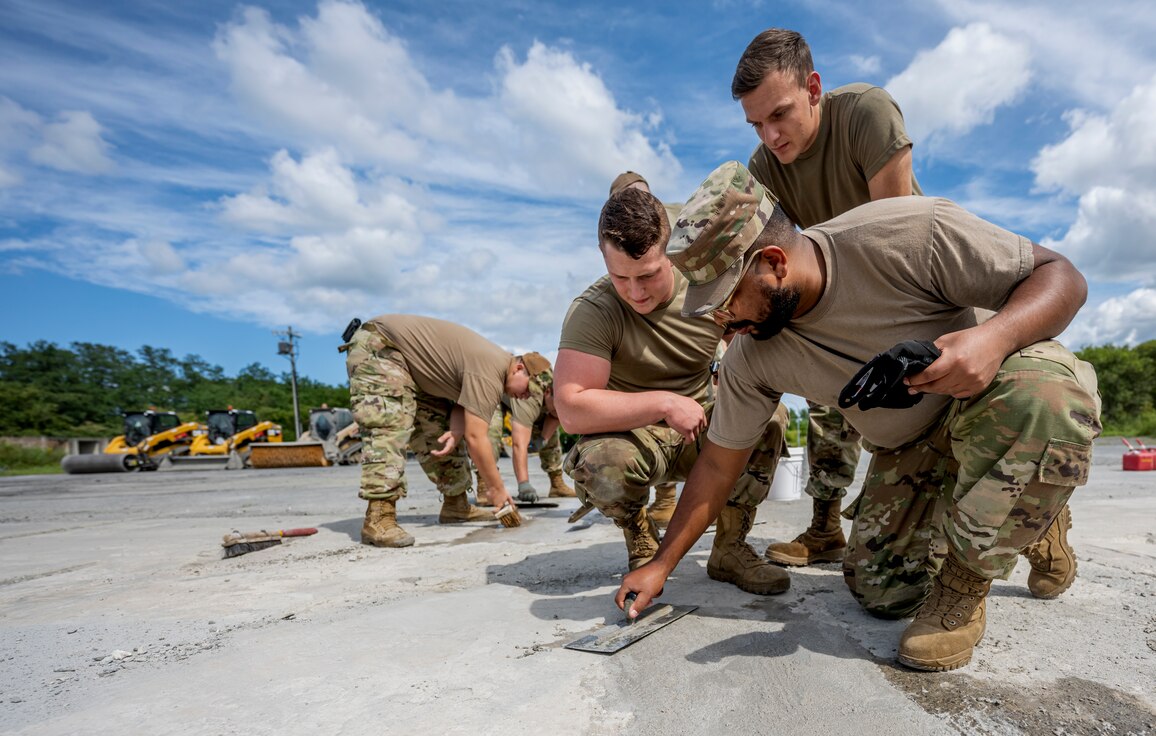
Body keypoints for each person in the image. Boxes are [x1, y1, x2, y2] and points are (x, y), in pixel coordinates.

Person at [617, 161, 1099, 671]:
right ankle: (1015, 510)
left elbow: (1061, 275)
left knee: (1043, 396)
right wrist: (661, 564)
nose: (723, 322)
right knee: (882, 594)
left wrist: (994, 338)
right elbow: (717, 465)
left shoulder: (910, 233)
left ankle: (966, 582)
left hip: (990, 399)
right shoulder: (750, 354)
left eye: (727, 300)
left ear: (775, 262)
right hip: (911, 447)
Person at [731, 28, 924, 568]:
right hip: (832, 293)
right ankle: (824, 526)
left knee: (946, 413)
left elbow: (898, 231)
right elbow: (771, 261)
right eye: (756, 124)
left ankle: (1038, 524)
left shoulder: (867, 113)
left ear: (814, 89)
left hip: (910, 288)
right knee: (827, 400)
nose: (770, 135)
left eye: (780, 115)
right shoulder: (764, 168)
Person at [554, 180, 792, 595]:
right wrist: (664, 403)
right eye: (620, 277)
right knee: (602, 464)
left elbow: (752, 353)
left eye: (648, 275)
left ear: (671, 253)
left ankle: (730, 546)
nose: (635, 292)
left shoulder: (708, 289)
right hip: (635, 436)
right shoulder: (594, 310)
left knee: (769, 416)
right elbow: (572, 408)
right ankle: (640, 538)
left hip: (702, 429)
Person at [342, 314, 548, 547]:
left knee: (441, 431)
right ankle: (379, 517)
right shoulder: (491, 368)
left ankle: (455, 505)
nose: (526, 397)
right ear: (519, 368)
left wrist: (455, 430)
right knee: (390, 424)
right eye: (529, 390)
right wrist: (496, 489)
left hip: (416, 371)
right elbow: (476, 437)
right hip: (382, 348)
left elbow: (461, 403)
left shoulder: (495, 370)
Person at [474, 356, 577, 504]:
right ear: (548, 393)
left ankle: (557, 484)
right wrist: (524, 484)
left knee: (549, 430)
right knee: (491, 432)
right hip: (495, 392)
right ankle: (484, 487)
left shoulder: (561, 392)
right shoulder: (530, 396)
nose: (558, 413)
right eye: (556, 409)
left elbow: (555, 416)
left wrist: (543, 440)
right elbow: (518, 444)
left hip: (538, 401)